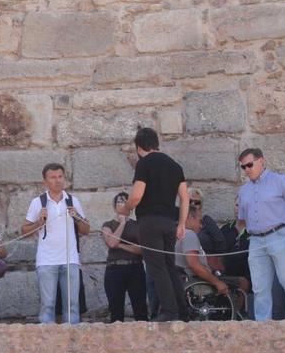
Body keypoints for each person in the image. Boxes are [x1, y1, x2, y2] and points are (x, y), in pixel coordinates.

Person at [120, 128, 189, 322]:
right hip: (169, 222)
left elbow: (136, 196)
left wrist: (124, 209)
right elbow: (185, 197)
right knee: (169, 266)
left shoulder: (144, 163)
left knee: (156, 268)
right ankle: (182, 311)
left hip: (149, 221)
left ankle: (169, 311)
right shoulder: (175, 166)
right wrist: (182, 223)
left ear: (139, 147)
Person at [236, 148, 285, 321]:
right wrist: (246, 234)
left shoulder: (280, 181)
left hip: (280, 234)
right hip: (256, 241)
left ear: (262, 161)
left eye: (250, 165)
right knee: (260, 287)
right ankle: (263, 326)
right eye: (243, 167)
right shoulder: (243, 190)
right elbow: (241, 221)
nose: (247, 169)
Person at [21, 163, 90, 324]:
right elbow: (24, 231)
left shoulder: (73, 201)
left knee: (72, 305)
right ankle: (47, 344)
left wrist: (76, 216)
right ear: (45, 181)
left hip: (70, 259)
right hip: (46, 261)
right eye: (53, 177)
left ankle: (72, 343)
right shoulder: (38, 202)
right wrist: (39, 222)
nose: (57, 181)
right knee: (47, 305)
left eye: (60, 176)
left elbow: (86, 230)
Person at [177, 206, 250, 314]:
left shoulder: (178, 234)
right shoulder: (189, 234)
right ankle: (235, 314)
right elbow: (194, 265)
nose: (201, 226)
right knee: (243, 282)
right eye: (199, 221)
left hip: (194, 277)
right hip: (199, 280)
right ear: (188, 218)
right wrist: (217, 282)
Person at [101, 192, 148, 322]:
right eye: (119, 201)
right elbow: (111, 243)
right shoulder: (108, 224)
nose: (122, 204)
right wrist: (122, 223)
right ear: (114, 206)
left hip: (135, 267)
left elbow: (142, 249)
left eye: (125, 201)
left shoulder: (137, 225)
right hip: (114, 269)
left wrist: (121, 245)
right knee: (116, 310)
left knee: (140, 309)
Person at [188, 188, 227, 271]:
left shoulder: (206, 221)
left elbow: (221, 243)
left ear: (201, 205)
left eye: (197, 202)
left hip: (207, 264)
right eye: (190, 201)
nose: (193, 204)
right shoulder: (179, 221)